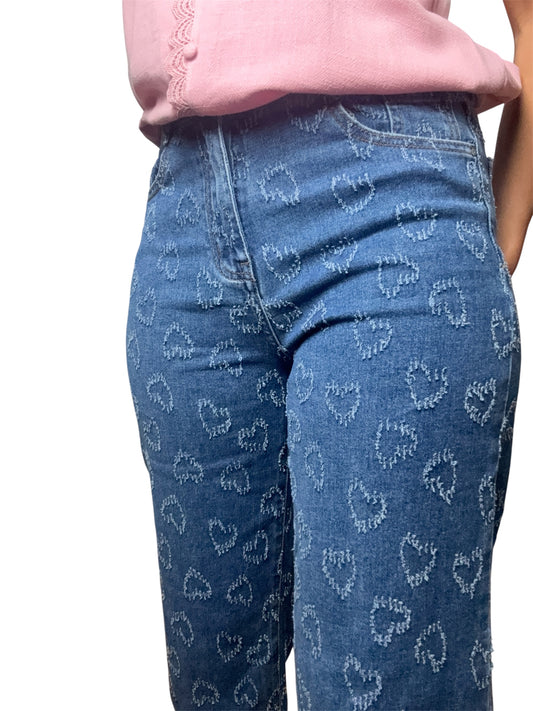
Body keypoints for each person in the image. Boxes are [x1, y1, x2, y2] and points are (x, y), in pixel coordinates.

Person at [121, 1, 532, 709]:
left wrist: (502, 232)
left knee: (382, 683)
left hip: (389, 197)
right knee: (213, 684)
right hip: (184, 214)